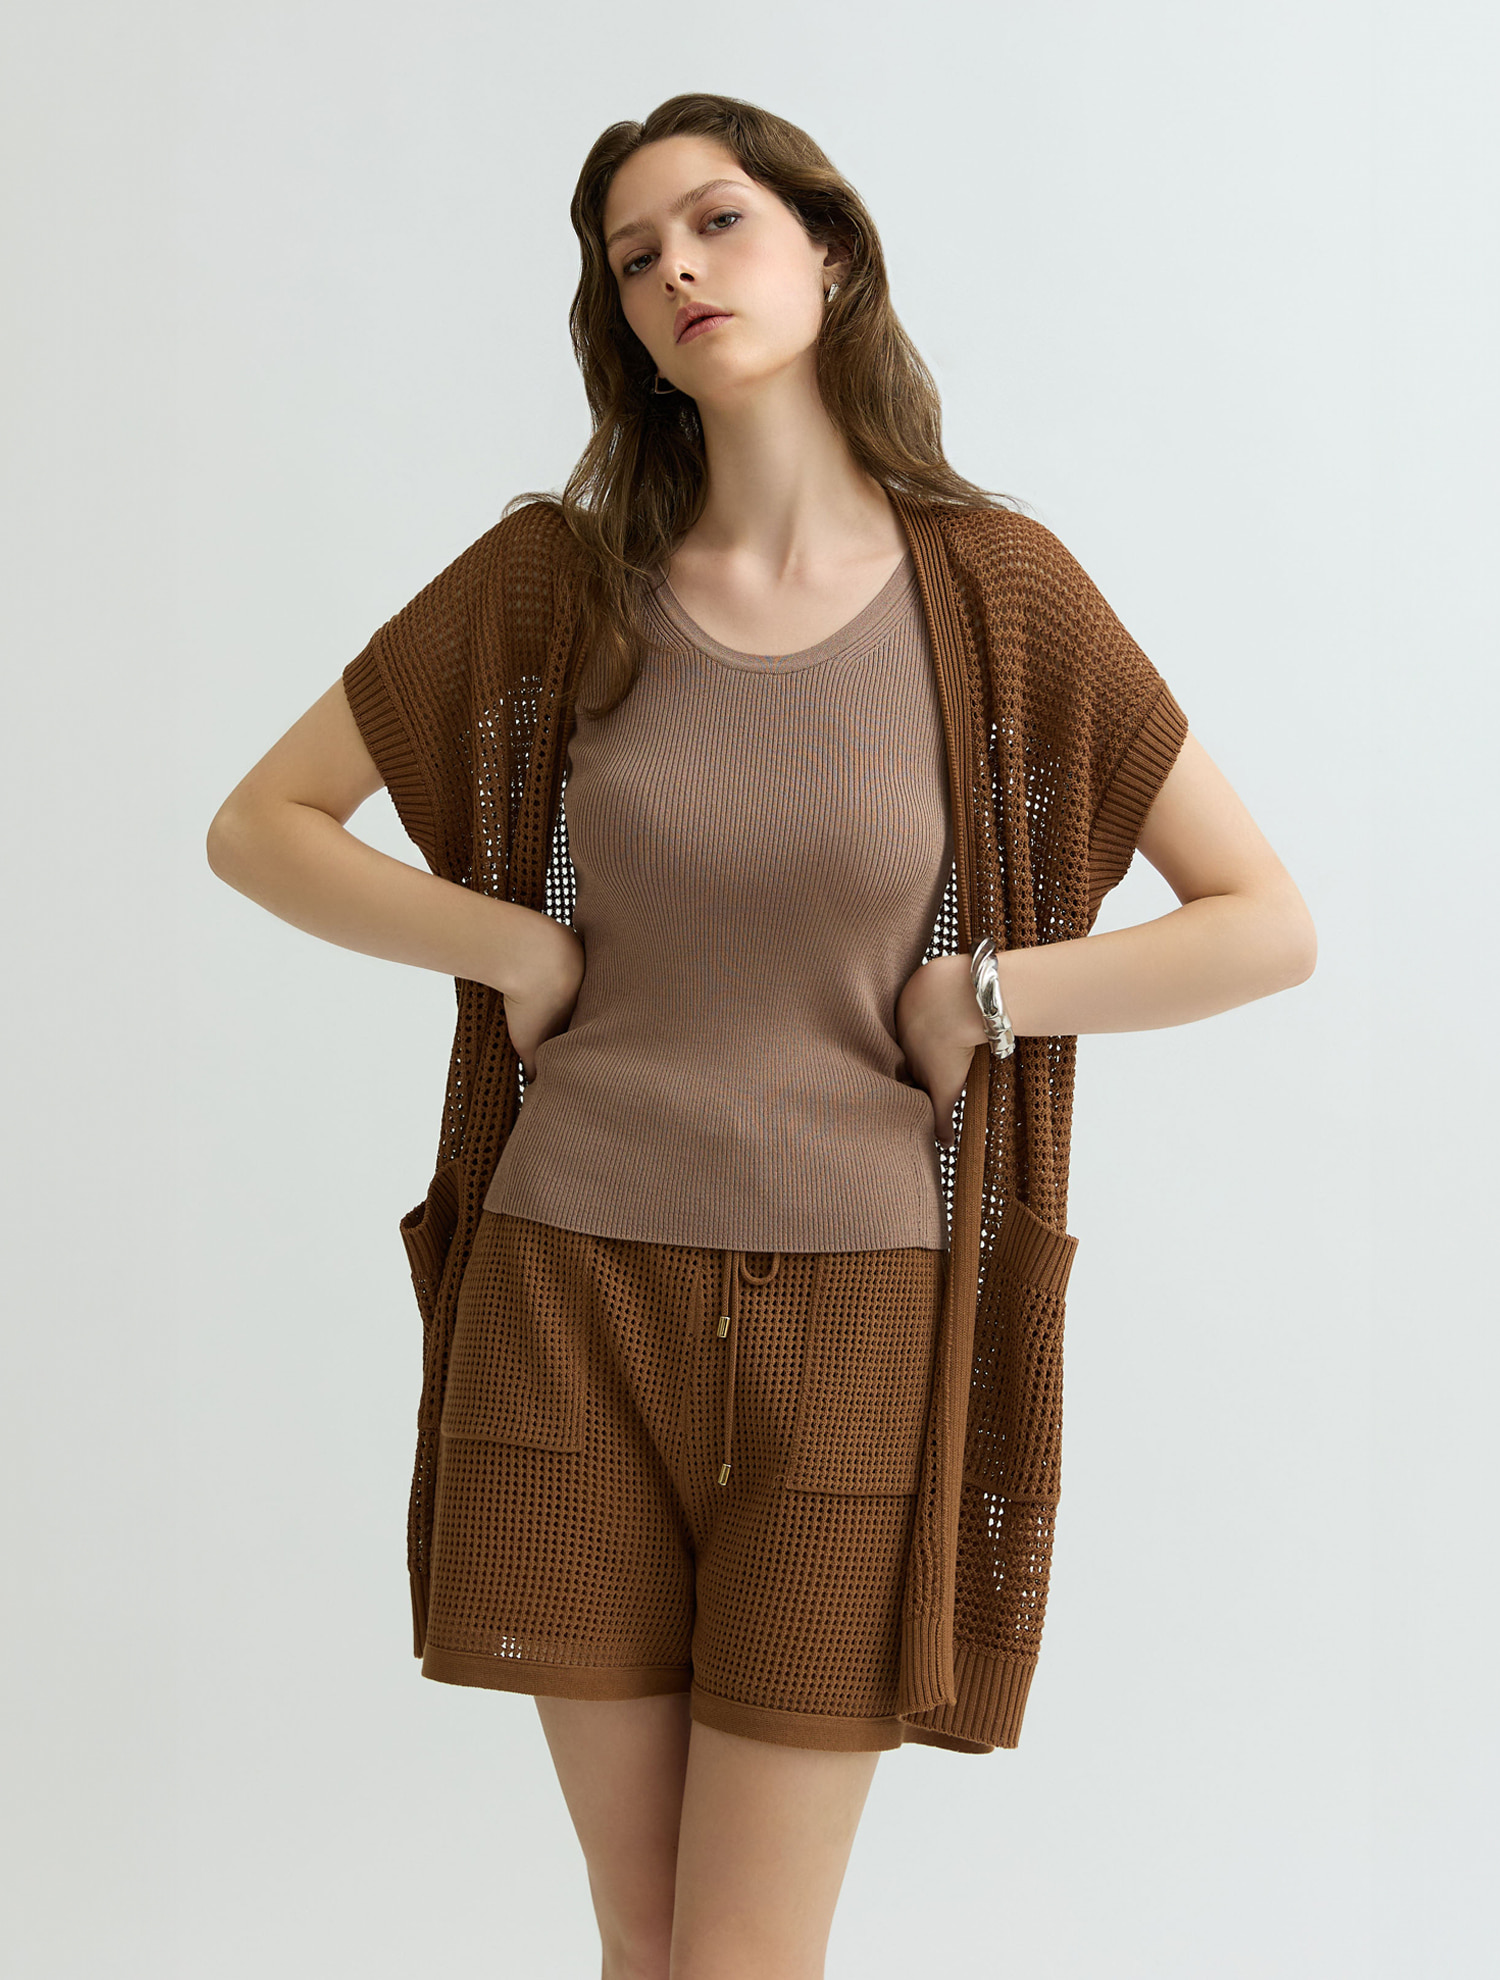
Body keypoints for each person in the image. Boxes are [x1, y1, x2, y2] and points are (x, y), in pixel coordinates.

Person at [206, 92, 1316, 1980]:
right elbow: (261, 827)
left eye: (717, 221)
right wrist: (507, 943)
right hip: (567, 1293)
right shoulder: (558, 587)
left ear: (833, 252)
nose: (677, 273)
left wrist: (991, 992)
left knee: (740, 1956)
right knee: (645, 1941)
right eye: (634, 257)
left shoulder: (998, 593)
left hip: (862, 1325)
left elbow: (1263, 921)